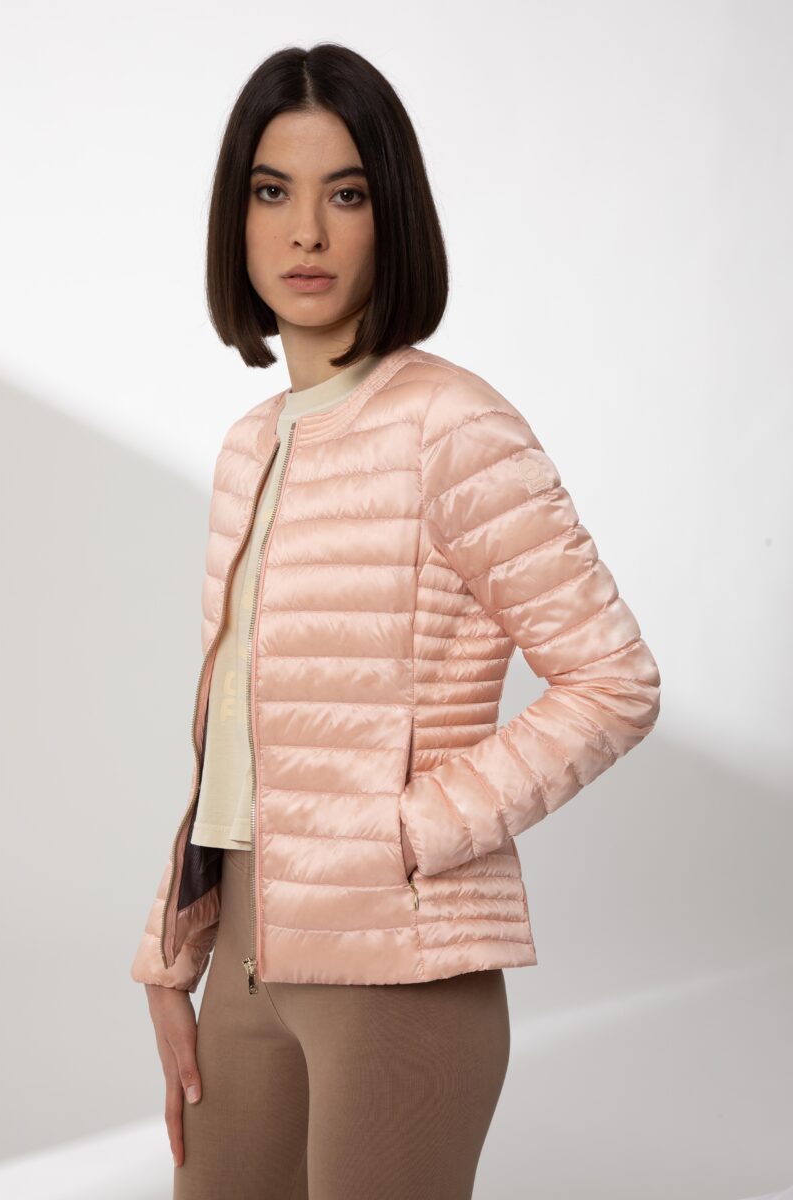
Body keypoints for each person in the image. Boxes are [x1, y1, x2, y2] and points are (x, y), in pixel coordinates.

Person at [129, 42, 661, 1200]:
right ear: (236, 219)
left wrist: (405, 832)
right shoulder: (249, 447)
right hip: (247, 964)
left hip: (401, 973)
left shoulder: (452, 426)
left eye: (346, 194)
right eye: (272, 191)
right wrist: (172, 954)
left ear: (391, 217)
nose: (305, 232)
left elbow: (613, 682)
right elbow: (233, 736)